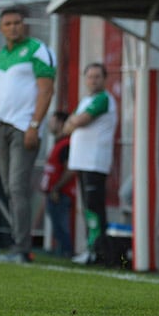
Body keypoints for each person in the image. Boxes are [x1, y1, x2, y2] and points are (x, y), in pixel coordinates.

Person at [0, 6, 56, 263]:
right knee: (10, 189)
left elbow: (47, 90)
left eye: (17, 22)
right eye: (8, 23)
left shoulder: (37, 49)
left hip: (24, 128)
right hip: (0, 128)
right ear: (1, 28)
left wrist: (35, 125)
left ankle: (22, 248)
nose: (13, 27)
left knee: (17, 187)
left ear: (24, 25)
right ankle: (17, 244)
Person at [64, 63, 118, 265]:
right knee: (88, 208)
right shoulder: (87, 100)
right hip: (83, 162)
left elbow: (79, 121)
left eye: (97, 76)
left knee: (94, 208)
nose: (93, 80)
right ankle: (92, 249)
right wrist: (72, 121)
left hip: (94, 162)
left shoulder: (103, 99)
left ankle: (99, 252)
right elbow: (69, 125)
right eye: (90, 76)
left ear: (104, 79)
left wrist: (72, 121)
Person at [39, 111, 76, 257]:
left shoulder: (65, 144)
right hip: (55, 191)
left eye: (53, 121)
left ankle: (66, 252)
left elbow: (70, 170)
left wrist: (56, 188)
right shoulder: (58, 143)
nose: (49, 124)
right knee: (56, 224)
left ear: (61, 123)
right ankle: (62, 251)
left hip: (61, 192)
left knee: (61, 225)